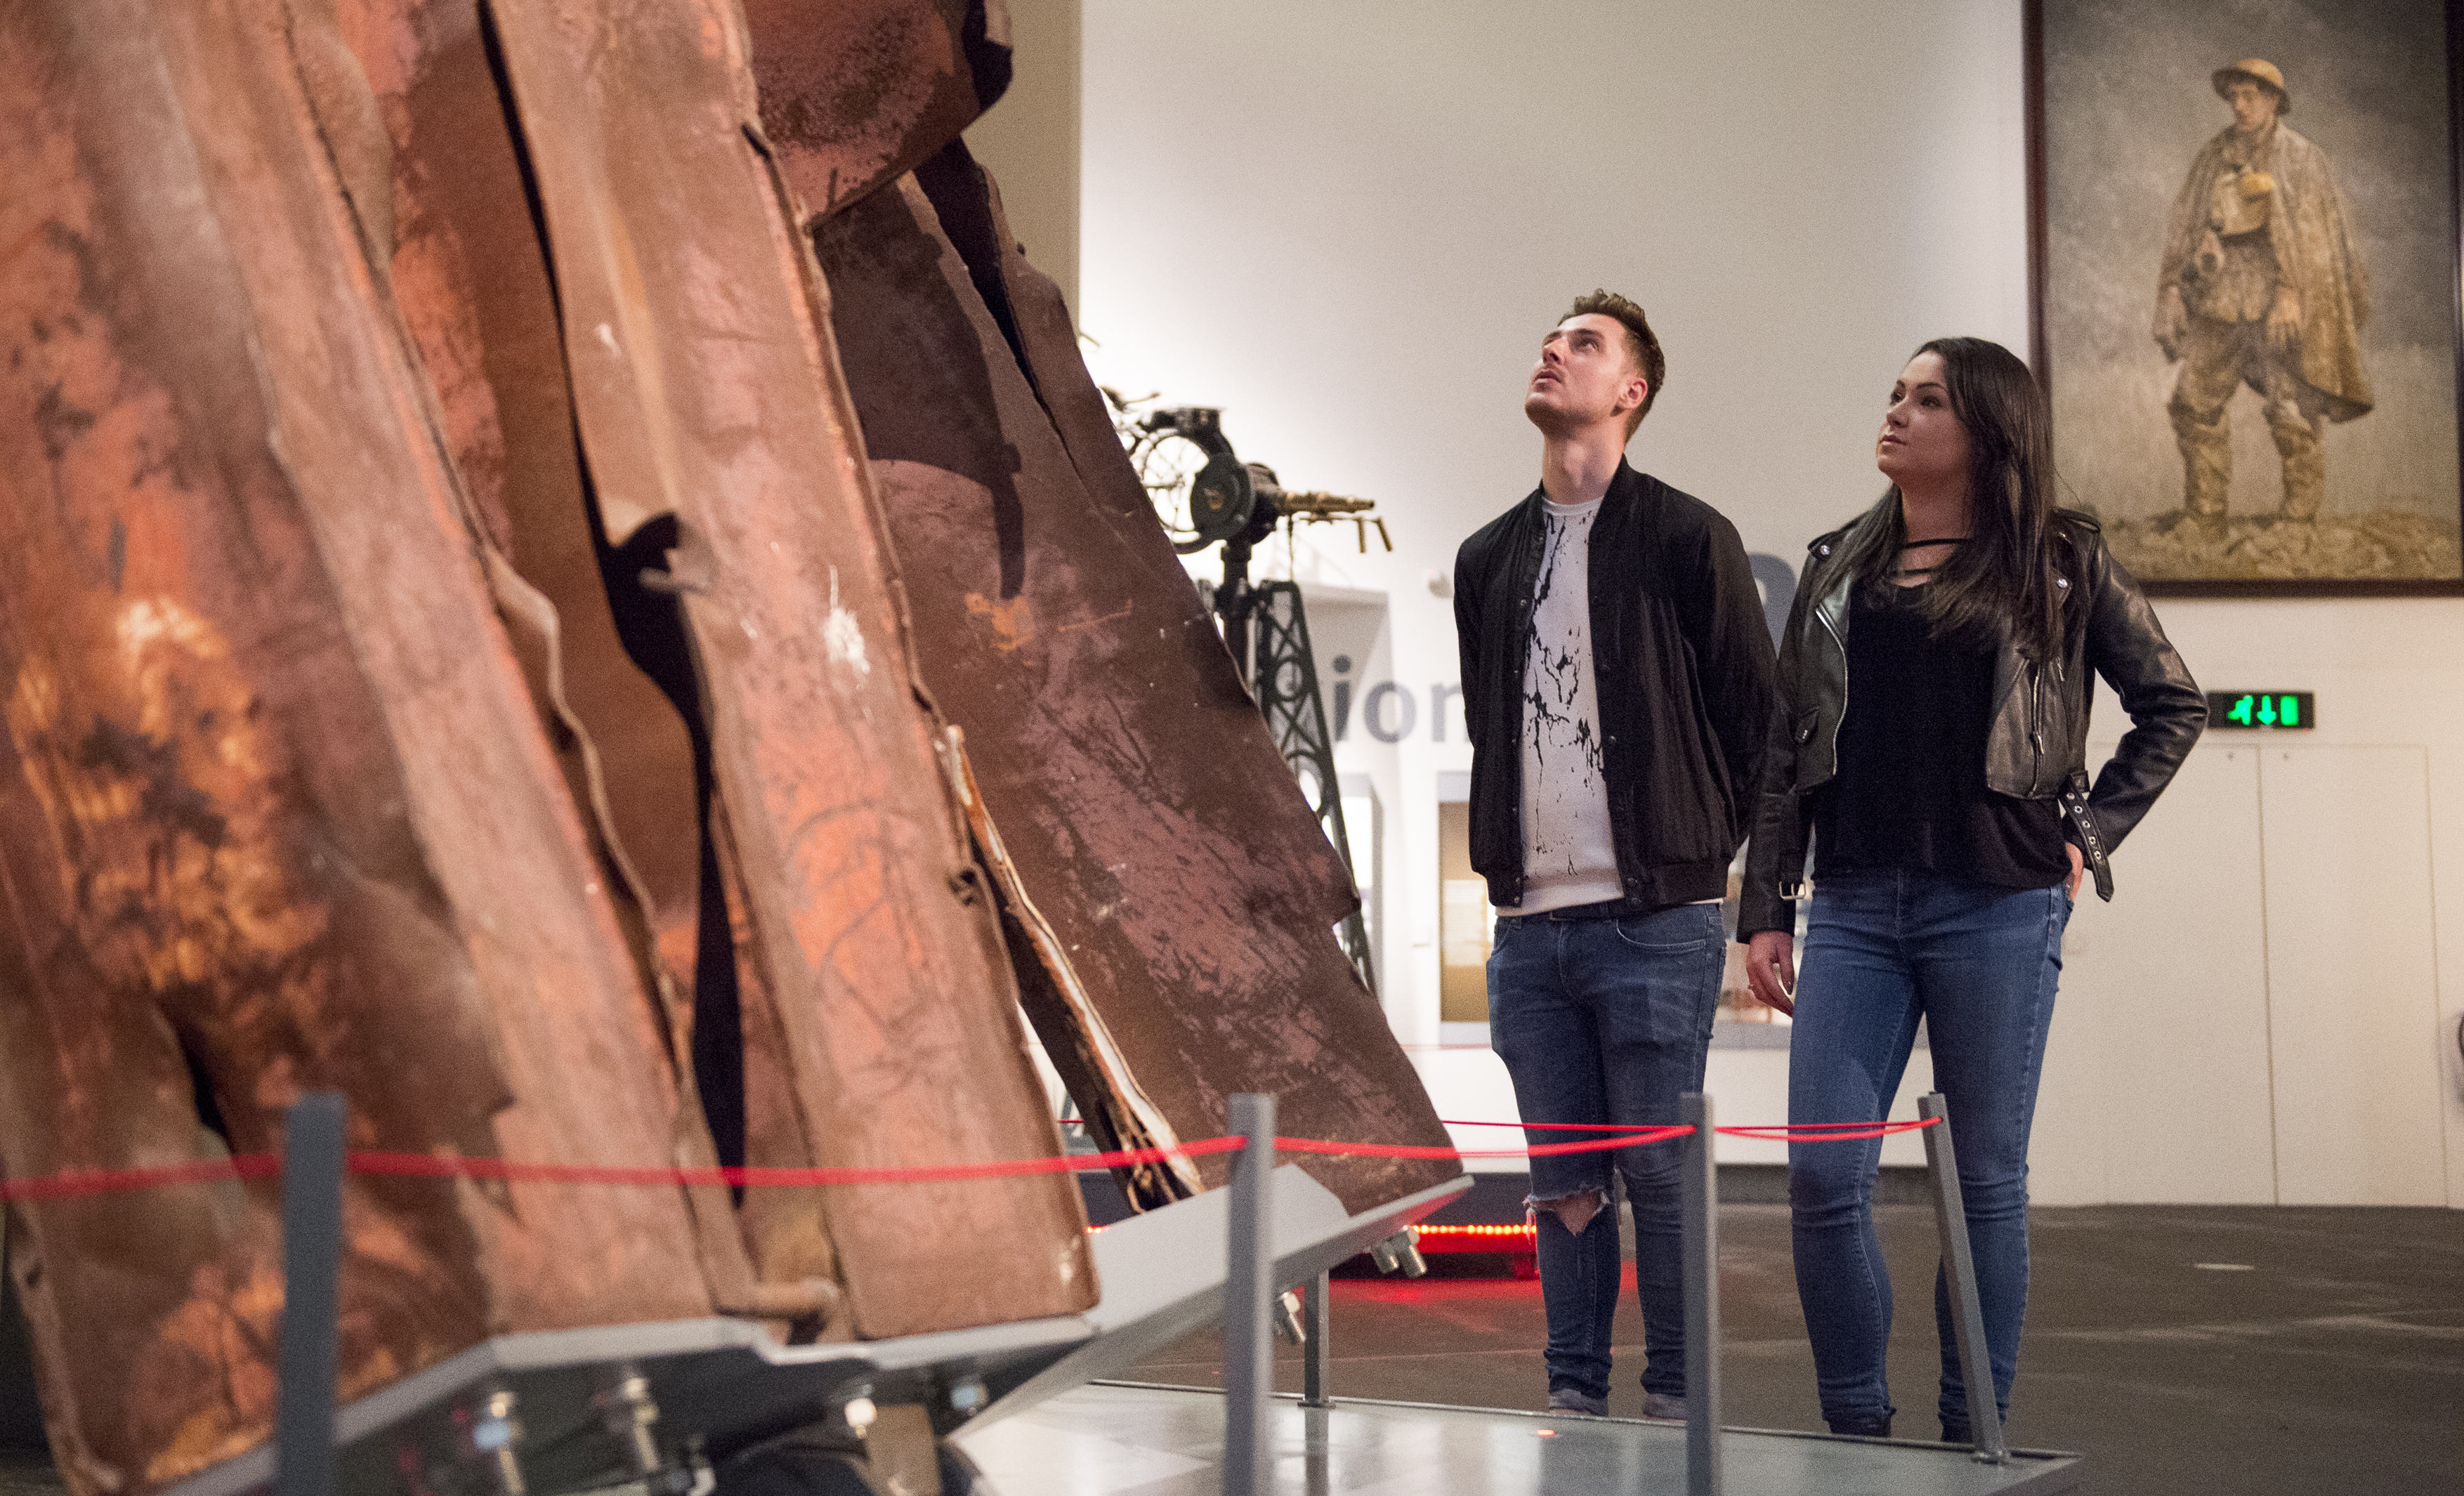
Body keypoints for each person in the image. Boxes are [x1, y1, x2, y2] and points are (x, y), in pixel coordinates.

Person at [1738, 337, 2205, 1442]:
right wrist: (1766, 904)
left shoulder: (2059, 558)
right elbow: (1786, 742)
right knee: (1821, 1177)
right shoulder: (1837, 562)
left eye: (1928, 397)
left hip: (1999, 900)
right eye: (1895, 391)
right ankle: (1855, 1428)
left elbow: (2173, 703)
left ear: (1989, 428)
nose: (1897, 410)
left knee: (1982, 1182)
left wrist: (2090, 828)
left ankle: (1973, 1432)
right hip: (1853, 904)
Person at [1453, 290, 1776, 1420]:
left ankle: (1681, 1401)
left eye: (1583, 343)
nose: (1553, 349)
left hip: (1656, 920)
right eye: (1550, 336)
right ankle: (1574, 1400)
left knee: (1657, 1173)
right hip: (1532, 926)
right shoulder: (1487, 556)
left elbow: (1757, 727)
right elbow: (1493, 729)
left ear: (1630, 392)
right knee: (1565, 1187)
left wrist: (1693, 855)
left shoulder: (1691, 537)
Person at [2154, 57, 2371, 533]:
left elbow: (2316, 237)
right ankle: (2205, 514)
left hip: (2281, 307)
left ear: (2274, 100)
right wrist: (2172, 290)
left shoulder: (2302, 158)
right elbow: (2185, 225)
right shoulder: (2213, 156)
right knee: (2195, 402)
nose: (2240, 105)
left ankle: (2298, 521)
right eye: (2234, 96)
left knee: (2291, 408)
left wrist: (2292, 292)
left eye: (2250, 95)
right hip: (2221, 297)